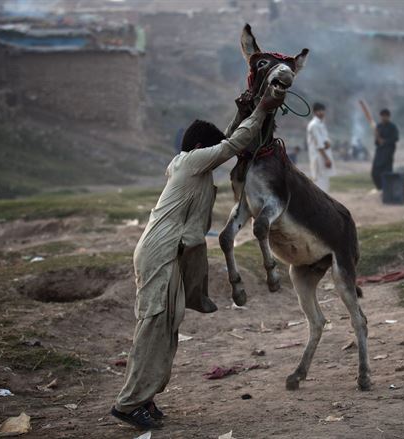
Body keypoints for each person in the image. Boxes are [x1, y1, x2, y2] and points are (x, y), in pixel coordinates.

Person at [111, 87, 285, 431]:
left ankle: (145, 396)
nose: (215, 157)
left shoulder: (189, 163)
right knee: (153, 325)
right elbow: (232, 145)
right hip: (160, 251)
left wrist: (244, 112)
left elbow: (228, 140)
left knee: (167, 325)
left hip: (170, 253)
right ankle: (128, 404)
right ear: (198, 150)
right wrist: (262, 110)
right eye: (211, 150)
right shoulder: (190, 163)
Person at [306, 102, 335, 192]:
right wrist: (327, 159)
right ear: (314, 112)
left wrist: (327, 143)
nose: (322, 112)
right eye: (319, 110)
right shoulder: (314, 125)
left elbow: (325, 142)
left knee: (324, 180)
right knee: (319, 181)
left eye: (323, 110)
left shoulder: (321, 124)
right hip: (318, 157)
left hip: (323, 156)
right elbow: (319, 145)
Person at [371, 108, 399, 191]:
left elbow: (396, 138)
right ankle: (380, 188)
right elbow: (376, 142)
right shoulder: (378, 126)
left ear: (388, 117)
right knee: (375, 172)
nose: (383, 118)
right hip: (379, 152)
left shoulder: (392, 127)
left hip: (388, 152)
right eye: (382, 116)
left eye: (385, 116)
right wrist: (377, 138)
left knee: (386, 172)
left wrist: (385, 141)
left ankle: (387, 189)